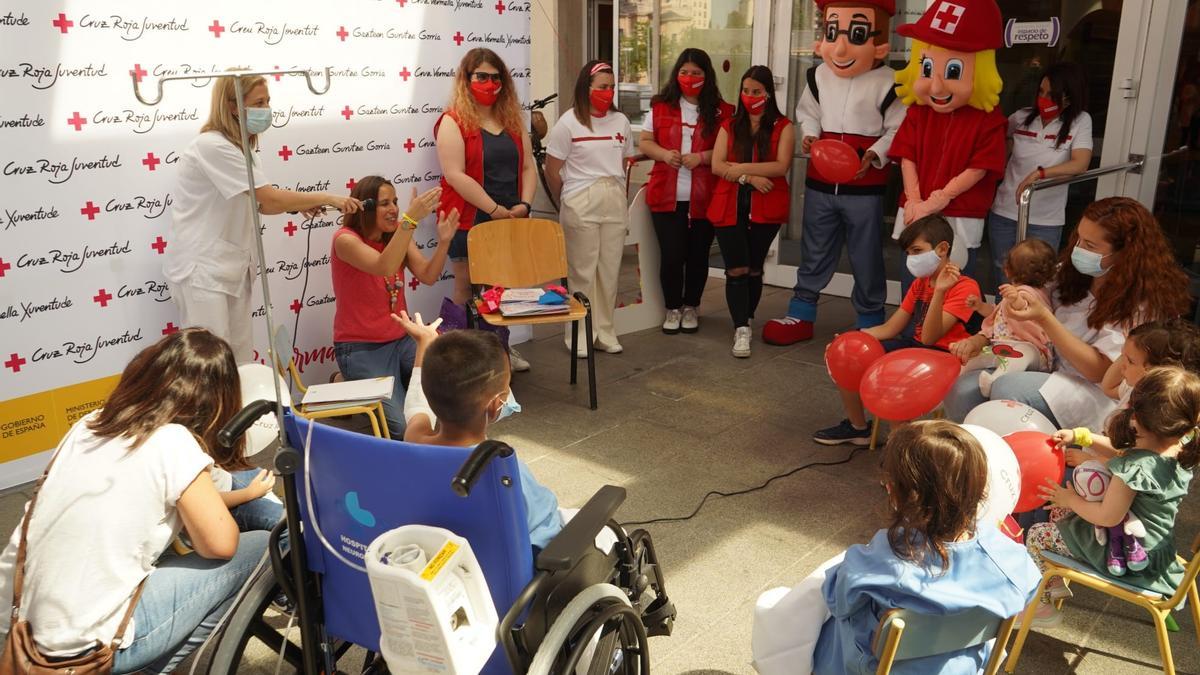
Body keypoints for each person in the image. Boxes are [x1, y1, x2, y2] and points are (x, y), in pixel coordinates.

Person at [0, 328, 267, 674]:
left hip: (12, 623)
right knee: (260, 546)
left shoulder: (89, 422)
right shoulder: (174, 441)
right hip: (76, 650)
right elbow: (221, 545)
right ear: (218, 399)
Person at [752, 421, 1039, 674]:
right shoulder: (1014, 561)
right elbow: (1028, 591)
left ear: (902, 492)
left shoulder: (880, 564)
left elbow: (838, 600)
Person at [943, 197, 1192, 431]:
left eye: (1090, 245)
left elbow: (1099, 372)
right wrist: (1010, 310)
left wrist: (1044, 319)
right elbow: (1031, 294)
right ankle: (970, 456)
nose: (1078, 249)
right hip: (1045, 363)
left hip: (1089, 389)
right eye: (1078, 239)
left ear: (1125, 253)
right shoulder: (1071, 273)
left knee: (1007, 388)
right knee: (962, 389)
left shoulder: (1142, 305)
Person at [165, 73, 361, 362]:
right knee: (209, 363)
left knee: (239, 359)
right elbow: (268, 198)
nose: (267, 108)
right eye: (259, 102)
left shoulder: (244, 149)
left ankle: (242, 409)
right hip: (203, 272)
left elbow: (262, 203)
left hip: (232, 268)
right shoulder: (212, 146)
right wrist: (325, 197)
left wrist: (296, 205)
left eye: (268, 101)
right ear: (232, 106)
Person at [763, 0, 906, 345]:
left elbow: (898, 128)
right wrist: (810, 133)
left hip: (865, 187)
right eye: (831, 32)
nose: (840, 47)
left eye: (856, 34)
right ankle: (801, 311)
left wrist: (873, 154)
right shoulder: (817, 75)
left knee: (866, 253)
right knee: (815, 247)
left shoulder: (891, 82)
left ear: (879, 39)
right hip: (821, 183)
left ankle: (871, 320)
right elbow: (807, 111)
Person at [1026, 366, 1198, 627]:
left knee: (1037, 535)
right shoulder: (1180, 447)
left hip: (1128, 557)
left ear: (1141, 420)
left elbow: (1107, 516)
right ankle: (1055, 583)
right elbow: (1124, 451)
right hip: (1157, 551)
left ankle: (1041, 609)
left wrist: (1069, 498)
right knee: (1061, 516)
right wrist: (1082, 437)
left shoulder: (1134, 469)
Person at [395, 312, 565, 550]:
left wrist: (424, 343)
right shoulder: (504, 469)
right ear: (496, 406)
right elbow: (545, 531)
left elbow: (415, 406)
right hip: (516, 576)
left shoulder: (415, 441)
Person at [814, 215, 980, 445]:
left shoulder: (965, 287)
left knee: (894, 373)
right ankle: (857, 427)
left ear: (942, 249)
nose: (910, 259)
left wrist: (940, 291)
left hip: (947, 355)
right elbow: (891, 328)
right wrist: (851, 339)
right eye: (909, 253)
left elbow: (931, 337)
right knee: (846, 354)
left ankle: (898, 450)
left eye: (916, 250)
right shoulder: (921, 283)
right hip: (915, 347)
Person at [889, 0, 1007, 291]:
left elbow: (979, 168)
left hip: (960, 215)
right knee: (913, 283)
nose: (937, 87)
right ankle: (910, 332)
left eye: (953, 71)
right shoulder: (918, 112)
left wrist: (937, 200)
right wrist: (916, 200)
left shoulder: (989, 120)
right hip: (917, 212)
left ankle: (950, 336)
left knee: (956, 286)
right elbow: (907, 156)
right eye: (927, 68)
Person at [331, 176, 458, 439]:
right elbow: (383, 266)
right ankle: (347, 380)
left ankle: (351, 383)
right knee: (403, 431)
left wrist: (444, 241)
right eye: (384, 203)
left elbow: (428, 275)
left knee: (450, 390)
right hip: (361, 348)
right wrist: (410, 221)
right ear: (364, 207)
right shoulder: (345, 239)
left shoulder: (398, 234)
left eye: (396, 202)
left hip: (402, 341)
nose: (394, 209)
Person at [435, 48, 537, 372]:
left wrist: (524, 205)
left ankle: (499, 353)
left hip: (510, 217)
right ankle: (456, 362)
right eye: (481, 76)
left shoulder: (511, 120)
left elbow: (529, 169)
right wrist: (493, 209)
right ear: (467, 79)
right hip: (470, 217)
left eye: (496, 77)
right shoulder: (452, 121)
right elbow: (455, 174)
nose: (490, 83)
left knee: (500, 287)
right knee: (465, 286)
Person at [638, 48, 735, 335]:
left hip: (706, 197)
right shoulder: (660, 105)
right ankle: (672, 307)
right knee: (671, 255)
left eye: (696, 73)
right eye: (684, 71)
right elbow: (645, 141)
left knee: (698, 255)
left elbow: (729, 148)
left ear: (707, 76)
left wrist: (703, 157)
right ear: (676, 73)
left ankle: (692, 305)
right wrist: (664, 154)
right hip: (666, 195)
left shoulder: (722, 111)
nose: (689, 77)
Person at [544, 60, 638, 357]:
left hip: (613, 197)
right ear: (587, 87)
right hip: (580, 197)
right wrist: (567, 201)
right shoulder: (568, 123)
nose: (607, 92)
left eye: (611, 87)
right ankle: (580, 335)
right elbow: (552, 169)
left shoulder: (620, 121)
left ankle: (605, 332)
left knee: (609, 270)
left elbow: (625, 162)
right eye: (602, 87)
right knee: (582, 272)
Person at [709, 65, 795, 358]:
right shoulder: (730, 126)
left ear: (768, 93)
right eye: (745, 91)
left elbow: (781, 166)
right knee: (736, 268)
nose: (749, 96)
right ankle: (741, 328)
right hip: (728, 205)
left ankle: (748, 317)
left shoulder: (784, 127)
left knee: (755, 267)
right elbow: (717, 165)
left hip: (766, 207)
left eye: (756, 92)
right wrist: (750, 178)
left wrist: (741, 168)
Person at [987, 62, 1093, 292]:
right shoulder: (1021, 117)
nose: (1044, 99)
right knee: (1003, 275)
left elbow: (1081, 163)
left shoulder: (1080, 121)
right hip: (1005, 211)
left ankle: (1032, 327)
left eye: (1052, 95)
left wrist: (1040, 174)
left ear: (1069, 97)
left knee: (1038, 283)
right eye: (1041, 92)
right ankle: (1001, 324)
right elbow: (993, 140)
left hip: (1044, 219)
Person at [954, 238, 1057, 396]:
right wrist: (980, 306)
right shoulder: (1016, 293)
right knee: (973, 360)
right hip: (1003, 348)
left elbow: (1023, 307)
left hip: (1032, 351)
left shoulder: (1030, 294)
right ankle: (954, 377)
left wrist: (1016, 299)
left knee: (1020, 355)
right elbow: (999, 315)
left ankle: (994, 380)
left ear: (1007, 270)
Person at [1100, 318, 1200, 405]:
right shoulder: (1136, 388)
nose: (1122, 365)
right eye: (1122, 356)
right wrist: (1127, 352)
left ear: (1159, 373)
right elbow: (1108, 388)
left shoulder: (1155, 416)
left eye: (1130, 361)